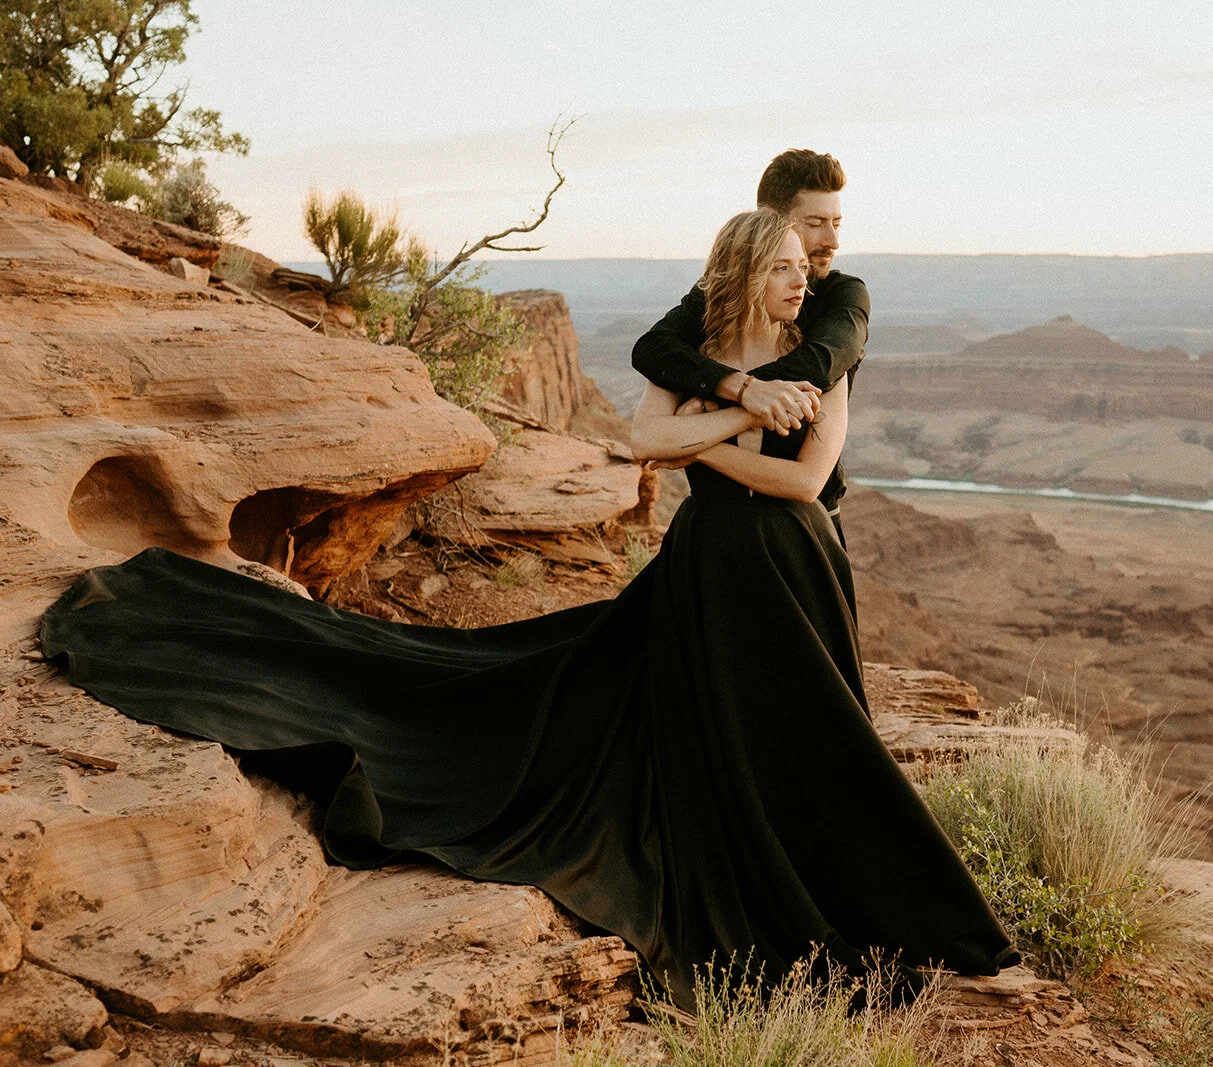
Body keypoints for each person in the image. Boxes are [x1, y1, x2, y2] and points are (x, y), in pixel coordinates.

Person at [39, 208, 1018, 1010]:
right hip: (707, 568)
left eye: (808, 268)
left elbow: (803, 482)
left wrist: (706, 435)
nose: (804, 282)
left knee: (815, 742)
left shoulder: (820, 366)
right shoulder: (699, 354)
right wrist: (738, 410)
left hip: (793, 565)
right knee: (661, 725)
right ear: (745, 271)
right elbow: (640, 442)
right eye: (786, 268)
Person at [633, 148, 866, 544]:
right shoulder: (714, 303)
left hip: (804, 531)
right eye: (816, 223)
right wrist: (744, 393)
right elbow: (653, 350)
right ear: (768, 221)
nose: (833, 240)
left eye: (837, 223)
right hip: (711, 536)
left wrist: (702, 417)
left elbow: (818, 366)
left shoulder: (842, 295)